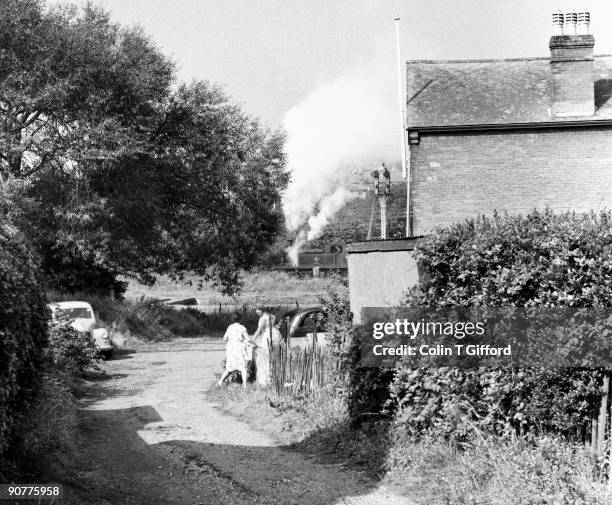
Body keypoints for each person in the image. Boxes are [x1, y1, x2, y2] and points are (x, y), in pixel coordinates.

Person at [218, 312, 249, 389]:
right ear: (241, 319)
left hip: (231, 349)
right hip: (239, 348)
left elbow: (224, 338)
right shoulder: (242, 328)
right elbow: (248, 339)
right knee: (243, 367)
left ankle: (220, 381)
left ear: (232, 319)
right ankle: (245, 386)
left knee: (229, 368)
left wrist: (231, 340)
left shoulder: (230, 327)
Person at [252, 306, 281, 386]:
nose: (257, 311)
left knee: (266, 356)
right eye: (256, 309)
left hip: (268, 336)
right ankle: (272, 376)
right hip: (272, 334)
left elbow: (259, 329)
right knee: (271, 355)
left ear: (263, 310)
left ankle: (267, 378)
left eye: (259, 310)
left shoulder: (264, 318)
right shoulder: (270, 315)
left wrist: (253, 339)